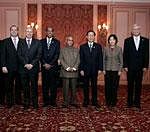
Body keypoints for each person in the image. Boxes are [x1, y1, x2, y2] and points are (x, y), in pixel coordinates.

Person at [123, 24, 149, 109]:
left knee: (138, 85)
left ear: (139, 30)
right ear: (132, 31)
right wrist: (125, 65)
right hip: (130, 67)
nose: (136, 30)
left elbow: (146, 54)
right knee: (130, 85)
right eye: (134, 29)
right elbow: (125, 54)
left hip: (140, 67)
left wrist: (145, 66)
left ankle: (137, 103)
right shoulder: (127, 40)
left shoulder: (145, 40)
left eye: (137, 29)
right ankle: (129, 103)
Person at [18, 26, 42, 110]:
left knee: (34, 86)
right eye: (27, 31)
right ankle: (26, 103)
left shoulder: (37, 42)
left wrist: (31, 64)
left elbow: (39, 55)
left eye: (30, 31)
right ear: (26, 32)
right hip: (23, 69)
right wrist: (25, 64)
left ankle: (35, 103)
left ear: (33, 33)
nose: (29, 33)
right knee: (25, 87)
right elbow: (19, 55)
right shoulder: (21, 42)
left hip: (33, 68)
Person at [79, 30, 103, 108]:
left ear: (94, 37)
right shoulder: (82, 47)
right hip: (85, 70)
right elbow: (81, 59)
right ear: (86, 37)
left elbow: (100, 58)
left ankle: (94, 101)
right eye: (89, 35)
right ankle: (86, 101)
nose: (91, 37)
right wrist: (81, 69)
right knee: (85, 86)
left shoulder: (98, 46)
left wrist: (100, 68)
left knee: (94, 86)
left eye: (92, 35)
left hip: (95, 70)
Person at [1, 25, 22, 108]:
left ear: (17, 31)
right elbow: (2, 55)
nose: (14, 31)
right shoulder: (5, 41)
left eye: (15, 30)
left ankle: (18, 100)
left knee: (18, 85)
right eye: (12, 30)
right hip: (8, 68)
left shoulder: (22, 41)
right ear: (10, 31)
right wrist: (3, 66)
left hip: (20, 68)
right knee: (8, 85)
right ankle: (10, 102)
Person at [41, 27, 60, 107]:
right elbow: (39, 54)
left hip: (53, 67)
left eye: (51, 31)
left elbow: (56, 54)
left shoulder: (57, 42)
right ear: (46, 32)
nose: (49, 32)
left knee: (53, 85)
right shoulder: (41, 41)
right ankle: (45, 101)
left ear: (53, 32)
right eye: (48, 31)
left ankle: (53, 101)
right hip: (44, 67)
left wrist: (50, 64)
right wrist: (45, 63)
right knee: (45, 85)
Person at [59, 35, 80, 108]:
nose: (70, 41)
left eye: (71, 40)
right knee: (65, 88)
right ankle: (65, 102)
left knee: (74, 88)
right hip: (65, 72)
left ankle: (73, 101)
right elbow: (61, 59)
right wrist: (67, 68)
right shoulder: (62, 49)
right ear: (66, 41)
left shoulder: (76, 49)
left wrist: (74, 68)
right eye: (69, 40)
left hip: (74, 71)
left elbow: (78, 60)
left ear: (73, 42)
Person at [103, 34, 123, 108]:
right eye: (110, 39)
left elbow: (121, 61)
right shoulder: (105, 49)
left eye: (113, 39)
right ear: (108, 41)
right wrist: (104, 69)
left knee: (114, 86)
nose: (112, 41)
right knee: (107, 87)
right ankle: (108, 101)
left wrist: (120, 70)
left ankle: (114, 101)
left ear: (115, 41)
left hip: (116, 71)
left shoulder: (119, 49)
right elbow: (103, 60)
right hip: (107, 70)